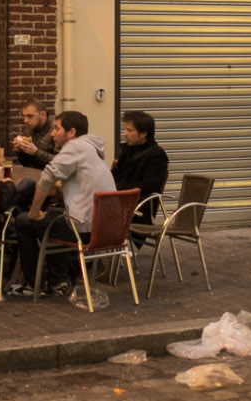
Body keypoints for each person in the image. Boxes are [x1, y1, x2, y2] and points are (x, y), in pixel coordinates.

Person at [9, 110, 116, 298]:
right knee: (52, 216)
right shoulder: (91, 148)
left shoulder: (74, 147)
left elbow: (47, 176)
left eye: (57, 128)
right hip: (106, 227)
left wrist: (34, 212)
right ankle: (59, 281)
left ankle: (34, 284)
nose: (52, 133)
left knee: (24, 221)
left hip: (84, 227)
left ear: (71, 132)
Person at [112, 110, 169, 232]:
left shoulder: (157, 157)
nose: (125, 134)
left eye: (129, 130)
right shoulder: (128, 150)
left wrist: (116, 190)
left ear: (143, 133)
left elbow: (147, 187)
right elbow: (115, 174)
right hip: (118, 202)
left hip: (138, 210)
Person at [10, 100, 56, 175]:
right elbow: (26, 163)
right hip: (33, 175)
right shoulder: (30, 129)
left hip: (50, 178)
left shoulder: (56, 130)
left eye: (30, 116)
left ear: (43, 114)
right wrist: (20, 151)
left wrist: (36, 152)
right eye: (24, 116)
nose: (25, 120)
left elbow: (61, 162)